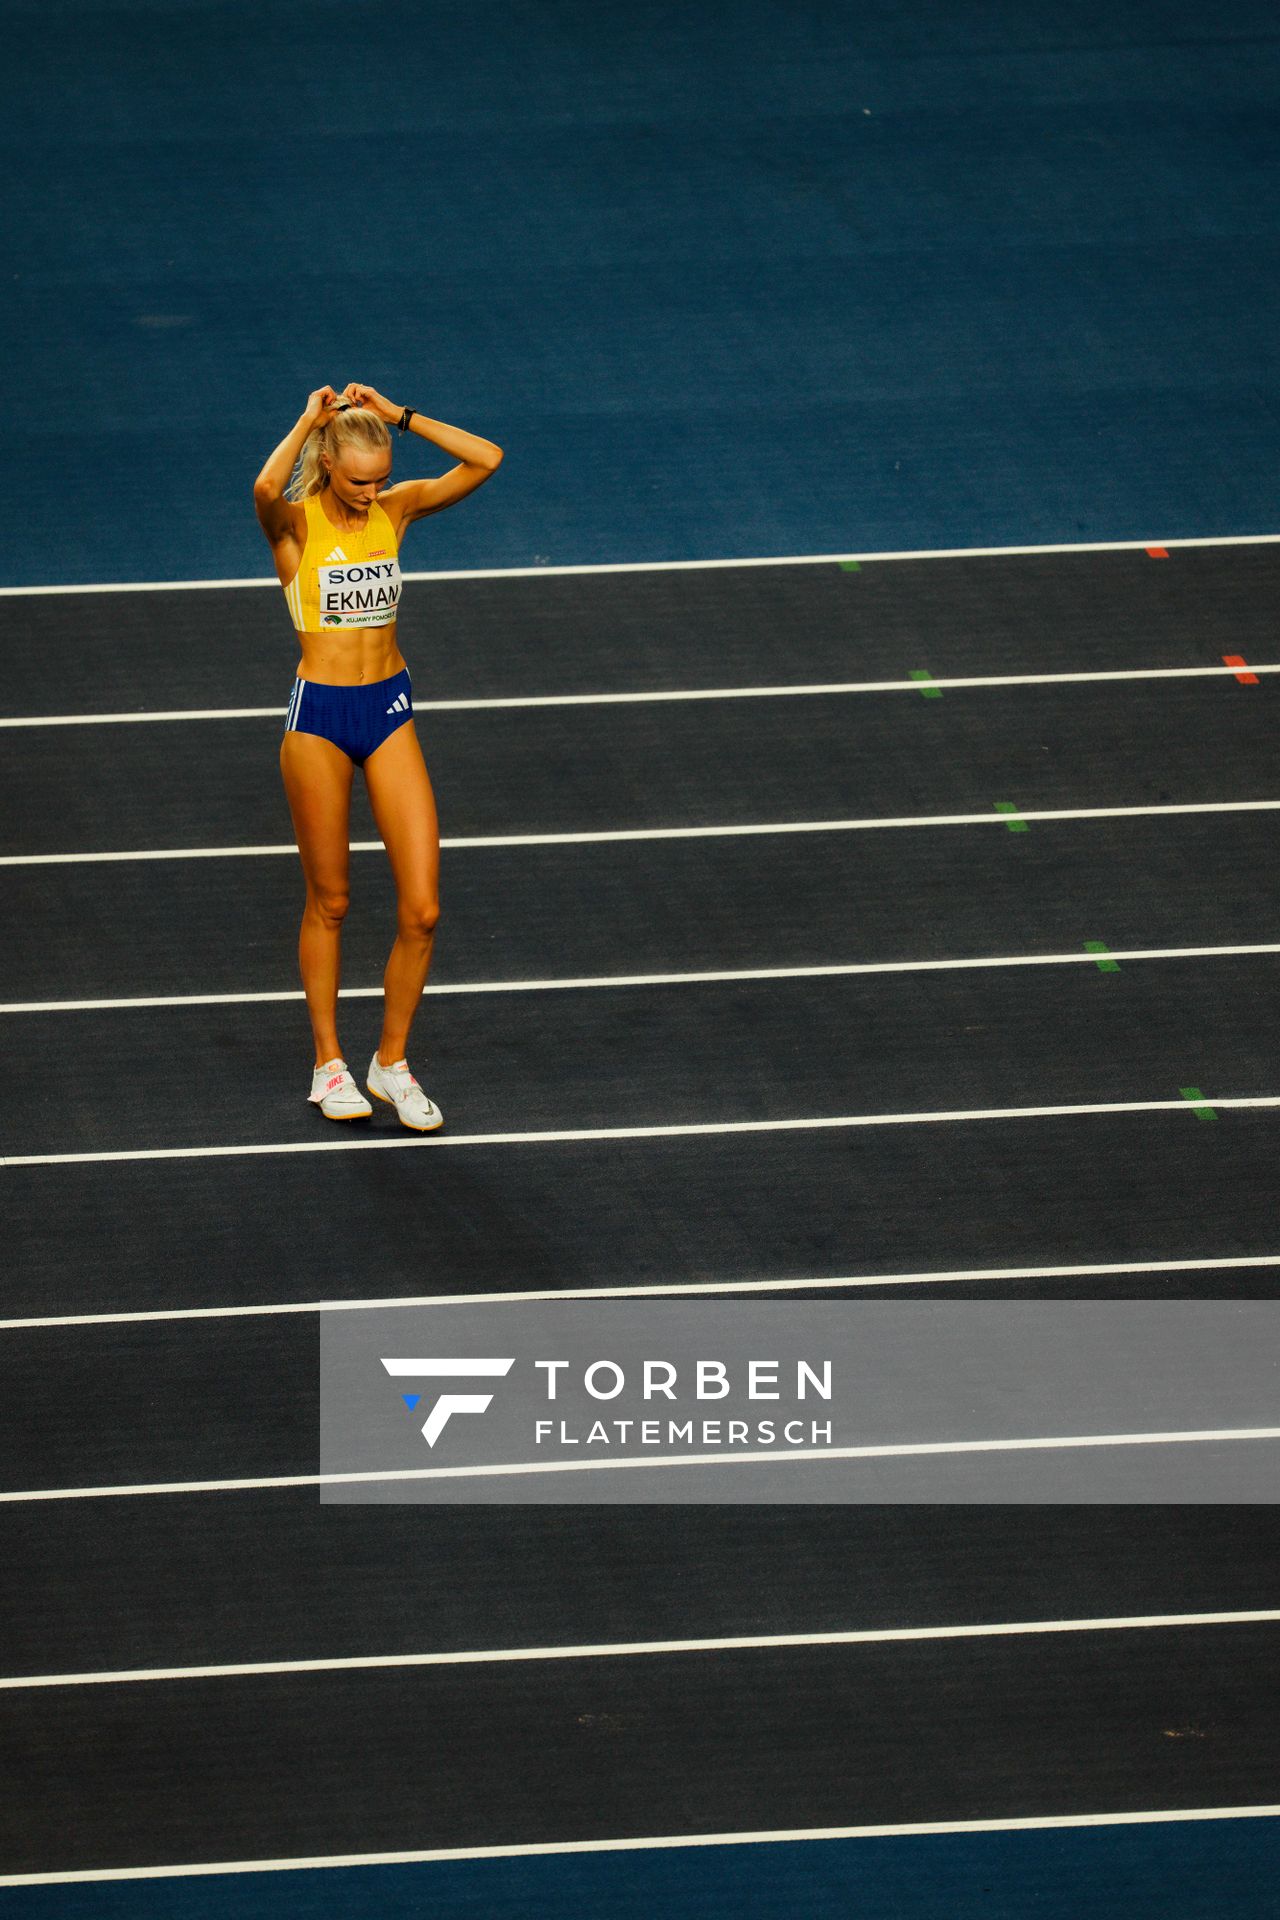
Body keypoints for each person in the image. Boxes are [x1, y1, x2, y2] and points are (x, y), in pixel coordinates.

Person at [252, 382, 503, 1129]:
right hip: (320, 719)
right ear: (328, 463)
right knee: (330, 901)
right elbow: (265, 486)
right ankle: (328, 1063)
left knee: (423, 909)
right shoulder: (293, 526)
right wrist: (308, 419)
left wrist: (400, 417)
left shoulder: (394, 511)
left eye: (381, 478)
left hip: (389, 710)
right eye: (359, 480)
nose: (371, 493)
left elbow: (487, 459)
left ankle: (390, 1064)